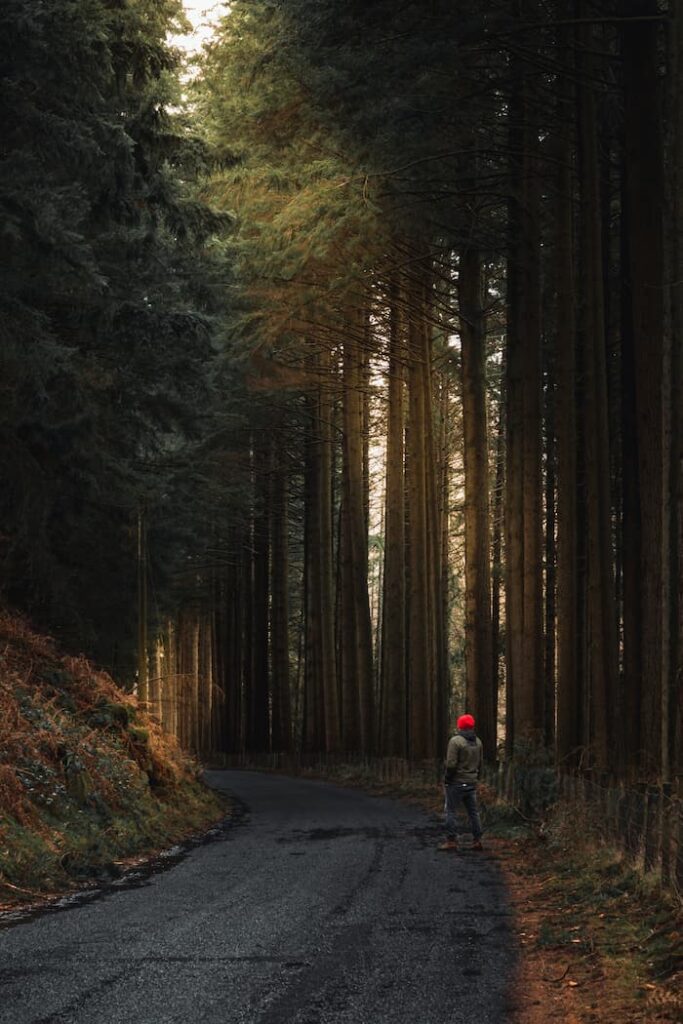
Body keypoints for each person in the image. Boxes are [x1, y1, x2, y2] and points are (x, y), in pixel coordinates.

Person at [437, 713, 484, 852]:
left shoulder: (455, 741)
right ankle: (477, 840)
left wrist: (447, 779)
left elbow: (451, 764)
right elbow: (481, 763)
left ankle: (451, 841)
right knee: (473, 813)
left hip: (456, 782)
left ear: (460, 726)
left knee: (451, 811)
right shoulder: (478, 742)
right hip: (471, 782)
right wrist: (476, 779)